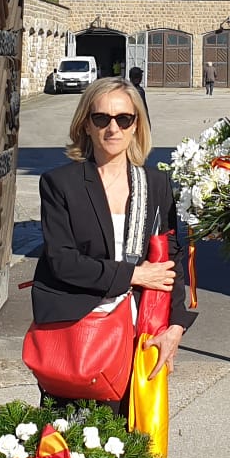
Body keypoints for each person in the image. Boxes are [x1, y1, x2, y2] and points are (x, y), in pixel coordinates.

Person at [31, 76, 192, 391]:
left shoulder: (156, 185)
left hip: (141, 333)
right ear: (86, 125)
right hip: (79, 331)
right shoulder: (60, 184)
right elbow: (63, 261)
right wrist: (134, 275)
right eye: (101, 118)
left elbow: (171, 259)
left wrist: (175, 326)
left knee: (137, 436)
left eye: (124, 119)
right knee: (73, 435)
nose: (112, 128)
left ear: (136, 126)